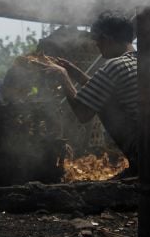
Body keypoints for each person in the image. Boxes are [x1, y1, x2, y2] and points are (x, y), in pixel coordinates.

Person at [50, 10, 139, 175]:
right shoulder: (141, 61)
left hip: (141, 151)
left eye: (97, 40)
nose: (96, 45)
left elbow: (83, 113)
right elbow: (104, 91)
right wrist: (76, 73)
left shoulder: (115, 65)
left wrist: (62, 75)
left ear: (108, 38)